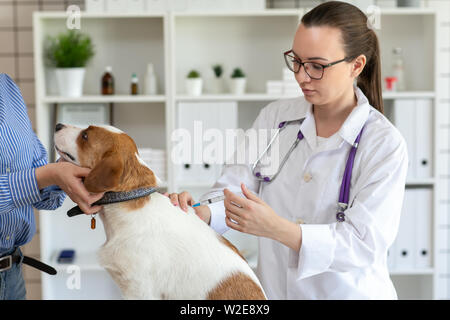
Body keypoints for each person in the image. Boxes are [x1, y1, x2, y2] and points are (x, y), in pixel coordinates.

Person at [165, 1, 408, 299]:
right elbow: (235, 188)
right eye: (296, 60)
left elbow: (363, 244)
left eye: (317, 66)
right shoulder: (275, 118)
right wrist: (201, 214)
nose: (301, 76)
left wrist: (278, 228)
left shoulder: (383, 144)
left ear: (356, 65)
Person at [0, 73, 104, 300]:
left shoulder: (6, 88)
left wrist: (63, 172)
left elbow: (41, 187)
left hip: (11, 273)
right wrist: (52, 174)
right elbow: (39, 175)